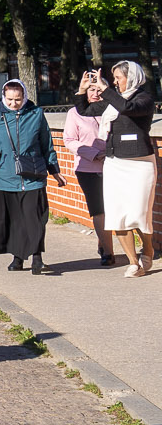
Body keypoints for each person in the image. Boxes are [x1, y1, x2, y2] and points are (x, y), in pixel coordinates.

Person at [0, 80, 65, 275]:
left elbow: (47, 144)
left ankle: (37, 258)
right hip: (3, 176)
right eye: (9, 99)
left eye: (18, 99)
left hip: (33, 175)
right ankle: (17, 258)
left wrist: (55, 171)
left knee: (35, 218)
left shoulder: (36, 114)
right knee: (14, 220)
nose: (13, 104)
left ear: (24, 97)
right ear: (4, 96)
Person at [76, 61, 157, 278]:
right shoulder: (112, 101)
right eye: (113, 78)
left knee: (139, 213)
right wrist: (83, 90)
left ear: (131, 78)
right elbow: (84, 110)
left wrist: (105, 90)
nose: (114, 82)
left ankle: (148, 248)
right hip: (115, 163)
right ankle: (133, 262)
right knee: (118, 213)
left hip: (140, 163)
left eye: (118, 78)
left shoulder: (144, 98)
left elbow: (128, 108)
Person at [63, 73, 114, 266]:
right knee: (99, 210)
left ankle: (103, 243)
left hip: (114, 166)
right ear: (84, 91)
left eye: (99, 89)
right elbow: (69, 140)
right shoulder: (75, 113)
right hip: (88, 168)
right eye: (91, 89)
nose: (95, 93)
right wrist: (93, 153)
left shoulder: (112, 109)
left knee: (111, 209)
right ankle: (108, 253)